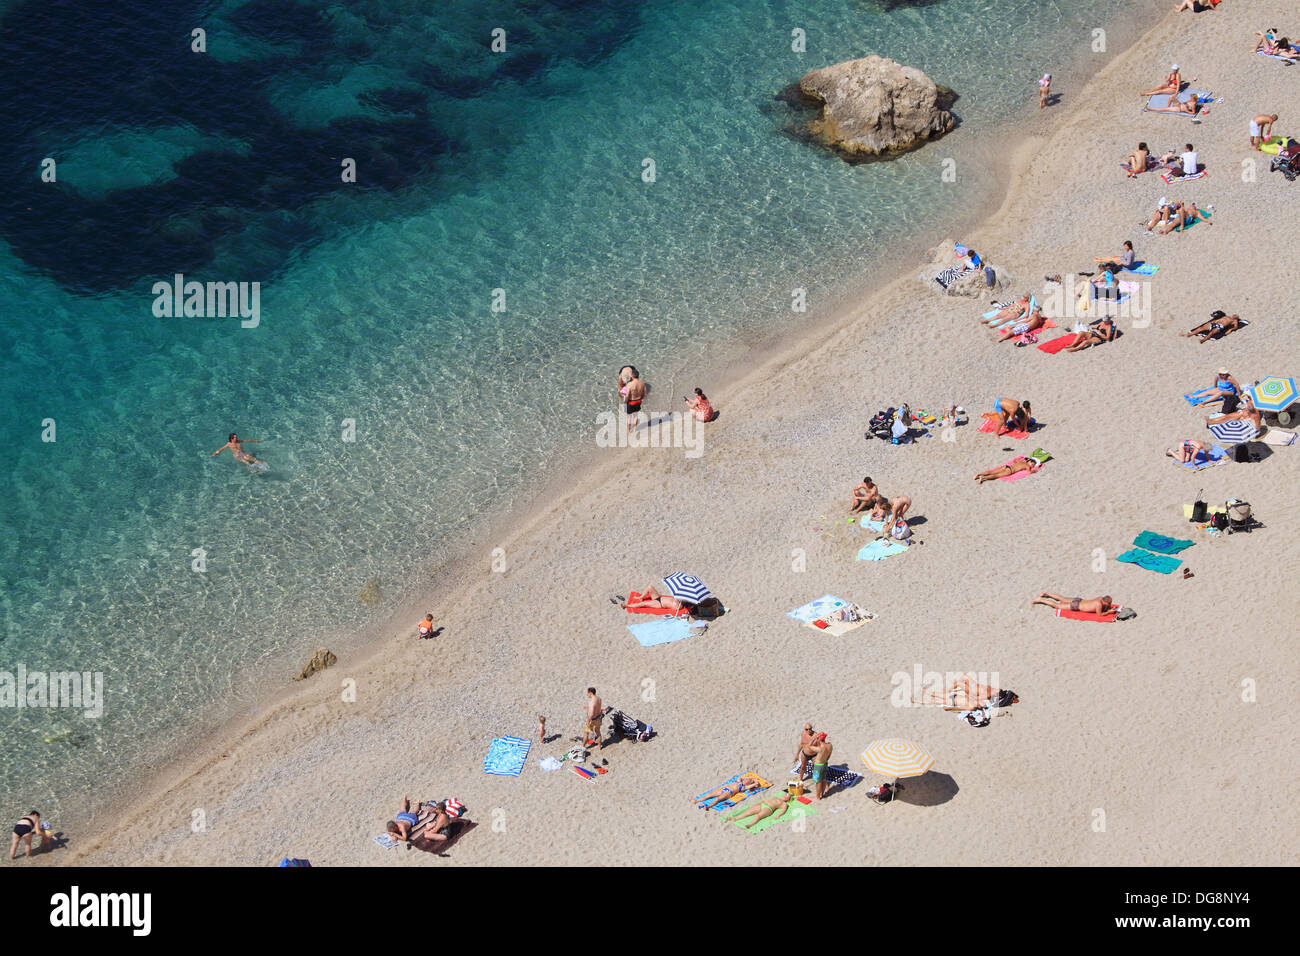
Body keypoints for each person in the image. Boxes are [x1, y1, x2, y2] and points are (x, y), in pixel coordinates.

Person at [698, 772, 766, 810]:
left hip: (729, 793)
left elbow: (756, 784)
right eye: (747, 779)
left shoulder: (744, 787)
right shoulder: (738, 781)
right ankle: (696, 800)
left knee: (718, 799)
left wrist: (754, 780)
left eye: (749, 780)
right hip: (724, 789)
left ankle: (708, 807)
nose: (747, 779)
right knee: (710, 794)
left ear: (749, 783)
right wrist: (749, 778)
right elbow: (741, 777)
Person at [726, 792, 793, 829]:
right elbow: (764, 800)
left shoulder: (784, 804)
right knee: (748, 812)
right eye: (786, 794)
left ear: (788, 799)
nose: (786, 795)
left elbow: (783, 810)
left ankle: (750, 825)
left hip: (769, 809)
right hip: (763, 805)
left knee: (758, 816)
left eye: (787, 796)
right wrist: (756, 804)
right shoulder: (775, 797)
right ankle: (735, 818)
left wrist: (778, 815)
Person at [619, 587, 687, 612]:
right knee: (650, 587)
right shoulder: (677, 598)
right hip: (659, 598)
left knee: (643, 604)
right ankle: (641, 597)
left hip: (659, 604)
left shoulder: (678, 606)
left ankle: (626, 606)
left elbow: (675, 610)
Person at [1032, 593, 1115, 614]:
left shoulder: (1100, 598)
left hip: (1079, 600)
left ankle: (1046, 594)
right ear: (1105, 602)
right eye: (1108, 604)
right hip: (1076, 606)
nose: (1109, 605)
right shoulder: (1099, 604)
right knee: (1056, 606)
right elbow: (1099, 614)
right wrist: (1108, 612)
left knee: (1063, 598)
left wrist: (1107, 608)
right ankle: (1041, 600)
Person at [622, 368, 646, 438]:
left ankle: (628, 431)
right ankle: (635, 429)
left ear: (632, 376)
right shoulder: (642, 383)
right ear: (638, 376)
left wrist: (625, 401)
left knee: (629, 417)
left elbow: (627, 395)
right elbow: (644, 394)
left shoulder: (629, 384)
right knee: (636, 416)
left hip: (631, 402)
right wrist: (640, 399)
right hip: (638, 401)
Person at [809, 733, 833, 800]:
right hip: (825, 764)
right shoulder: (830, 745)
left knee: (818, 782)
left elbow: (809, 746)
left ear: (819, 739)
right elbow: (829, 756)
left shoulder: (820, 748)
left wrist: (814, 738)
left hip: (818, 766)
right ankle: (822, 794)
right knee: (824, 779)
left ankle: (817, 797)